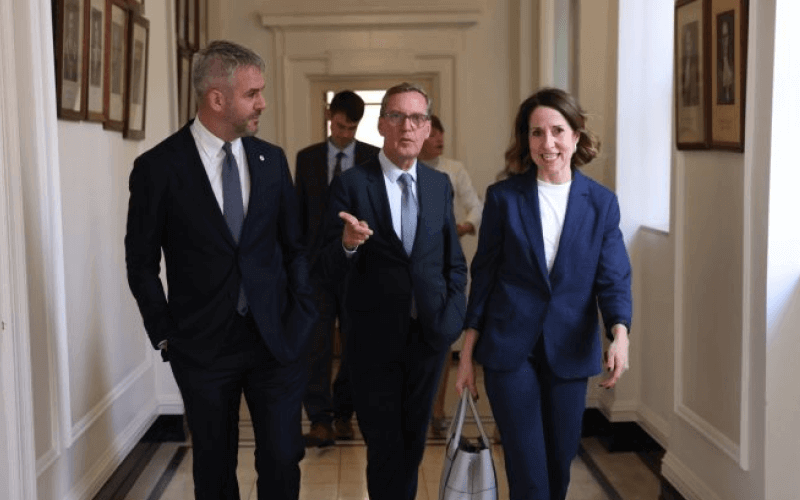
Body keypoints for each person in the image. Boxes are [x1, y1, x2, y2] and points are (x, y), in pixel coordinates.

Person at [125, 40, 316, 500]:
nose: (262, 103)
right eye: (253, 93)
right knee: (213, 468)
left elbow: (295, 248)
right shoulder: (158, 168)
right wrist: (166, 334)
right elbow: (140, 261)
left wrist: (303, 313)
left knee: (283, 457)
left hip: (275, 340)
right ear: (216, 98)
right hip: (203, 347)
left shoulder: (272, 161)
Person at [455, 87, 632, 500]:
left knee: (558, 468)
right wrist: (466, 355)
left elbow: (613, 277)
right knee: (528, 470)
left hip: (569, 350)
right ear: (526, 140)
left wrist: (619, 335)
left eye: (557, 131)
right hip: (509, 350)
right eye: (536, 133)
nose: (547, 143)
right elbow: (484, 277)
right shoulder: (503, 198)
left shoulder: (601, 204)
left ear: (575, 136)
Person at [316, 82, 467, 500]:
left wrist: (451, 319)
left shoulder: (439, 186)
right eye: (397, 116)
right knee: (384, 446)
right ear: (382, 124)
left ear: (426, 128)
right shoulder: (351, 184)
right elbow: (324, 265)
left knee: (414, 443)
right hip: (372, 340)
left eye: (417, 118)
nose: (407, 126)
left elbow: (453, 262)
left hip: (429, 336)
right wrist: (347, 243)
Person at [295, 90, 379, 447]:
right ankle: (320, 419)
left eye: (352, 128)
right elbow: (298, 214)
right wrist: (296, 264)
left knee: (355, 343)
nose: (344, 133)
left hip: (356, 267)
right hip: (315, 268)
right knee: (314, 344)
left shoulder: (372, 159)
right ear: (329, 115)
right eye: (340, 125)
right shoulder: (307, 158)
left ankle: (344, 414)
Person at [417, 114, 483, 434]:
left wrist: (465, 226)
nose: (439, 138)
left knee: (441, 337)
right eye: (433, 134)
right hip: (409, 268)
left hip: (443, 264)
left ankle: (437, 408)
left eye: (441, 133)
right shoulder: (403, 168)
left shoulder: (454, 169)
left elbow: (475, 206)